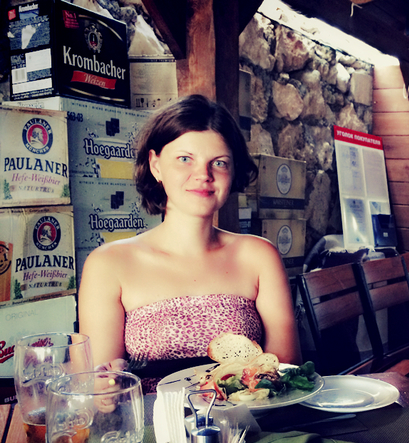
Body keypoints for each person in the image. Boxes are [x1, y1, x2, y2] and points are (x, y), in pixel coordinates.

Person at [78, 94, 301, 393]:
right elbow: (100, 387)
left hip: (247, 419)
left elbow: (286, 368)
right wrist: (105, 389)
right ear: (156, 165)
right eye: (185, 159)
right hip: (151, 419)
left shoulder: (260, 256)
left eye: (219, 163)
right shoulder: (108, 264)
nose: (203, 175)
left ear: (233, 171)